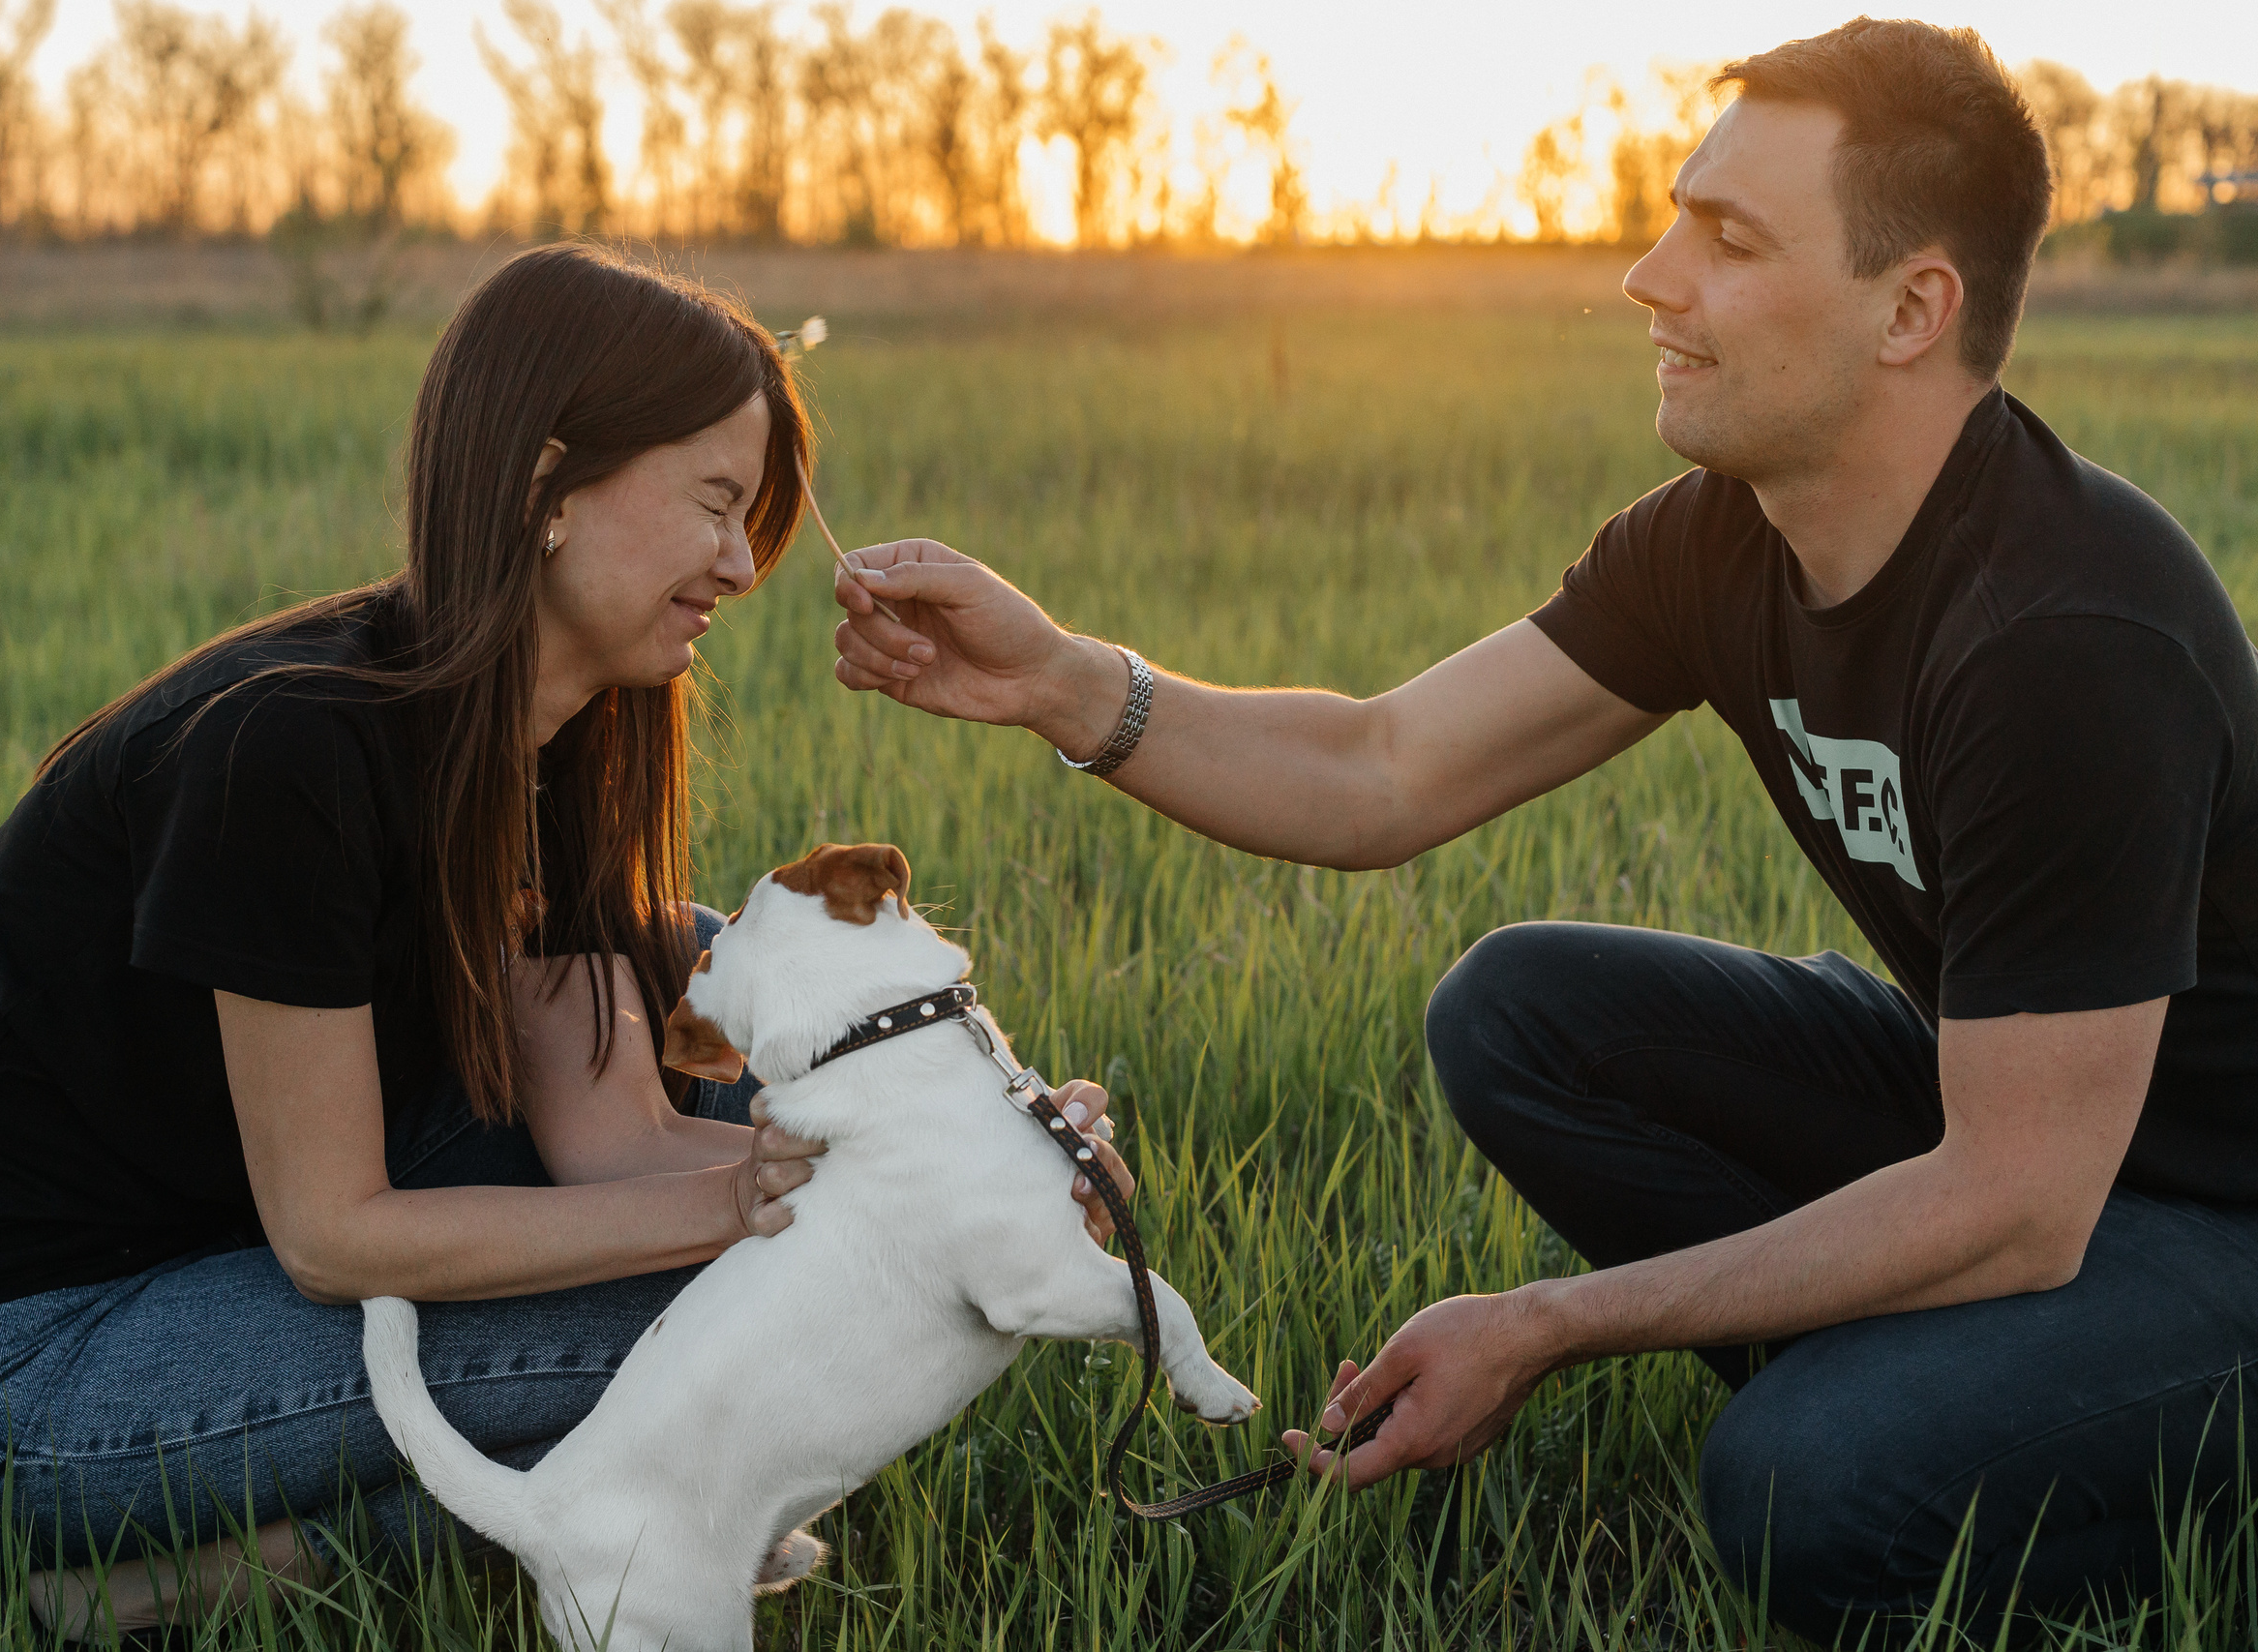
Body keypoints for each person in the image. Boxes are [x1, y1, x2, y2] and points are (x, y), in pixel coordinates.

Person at [828, 18, 2258, 1644]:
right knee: (1521, 1014)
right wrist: (1068, 686)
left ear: (1914, 307)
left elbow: (2018, 1200)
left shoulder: (2064, 639)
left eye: (1726, 241)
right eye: (1675, 219)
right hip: (2026, 1133)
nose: (1651, 277)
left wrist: (1552, 1323)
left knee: (1802, 1487)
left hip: (2206, 1204)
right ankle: (1951, 1383)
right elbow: (1382, 768)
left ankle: (1971, 1419)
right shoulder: (1720, 544)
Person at [0, 244, 1135, 1639]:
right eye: (718, 506)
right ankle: (191, 1580)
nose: (744, 567)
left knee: (740, 1019)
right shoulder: (287, 749)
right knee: (747, 1314)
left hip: (214, 1242)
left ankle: (231, 1575)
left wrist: (980, 1167)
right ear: (546, 489)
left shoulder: (566, 726)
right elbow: (333, 1237)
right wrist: (788, 1219)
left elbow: (610, 1142)